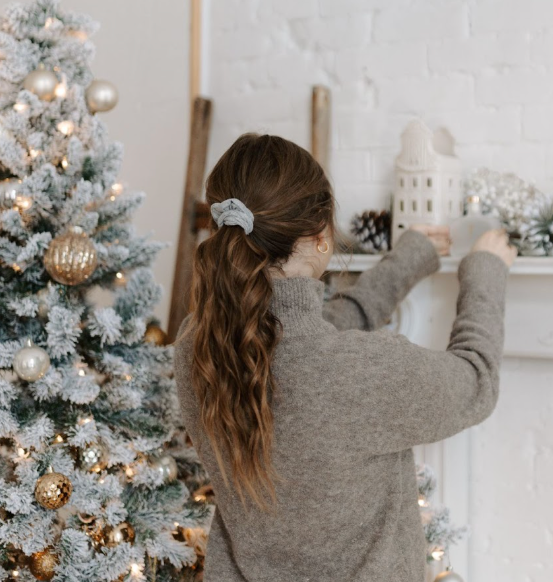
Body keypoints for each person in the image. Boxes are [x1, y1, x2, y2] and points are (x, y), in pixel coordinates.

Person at [174, 133, 516, 582]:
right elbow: (475, 379)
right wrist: (487, 269)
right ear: (321, 238)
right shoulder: (356, 371)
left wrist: (407, 260)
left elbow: (313, 333)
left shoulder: (197, 344)